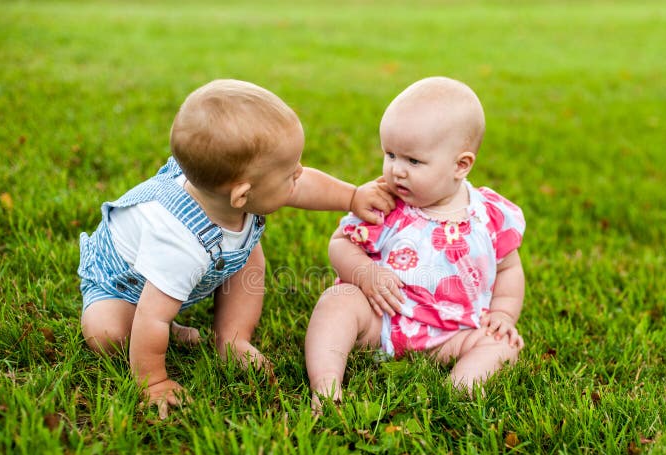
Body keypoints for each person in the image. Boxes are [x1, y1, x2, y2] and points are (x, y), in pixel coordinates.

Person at [78, 79, 394, 418]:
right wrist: (153, 381)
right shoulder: (178, 244)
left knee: (248, 256)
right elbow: (151, 316)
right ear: (241, 196)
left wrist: (351, 197)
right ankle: (166, 333)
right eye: (290, 173)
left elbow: (304, 186)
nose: (299, 174)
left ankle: (232, 338)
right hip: (124, 282)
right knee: (107, 335)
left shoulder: (233, 195)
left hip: (191, 266)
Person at [305, 76, 526, 411]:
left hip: (454, 333)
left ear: (461, 165)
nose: (397, 171)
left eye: (413, 161)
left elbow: (509, 268)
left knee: (504, 343)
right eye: (390, 154)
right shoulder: (385, 203)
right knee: (338, 301)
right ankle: (325, 385)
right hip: (382, 321)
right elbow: (340, 243)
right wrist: (364, 272)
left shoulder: (490, 215)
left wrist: (503, 314)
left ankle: (460, 390)